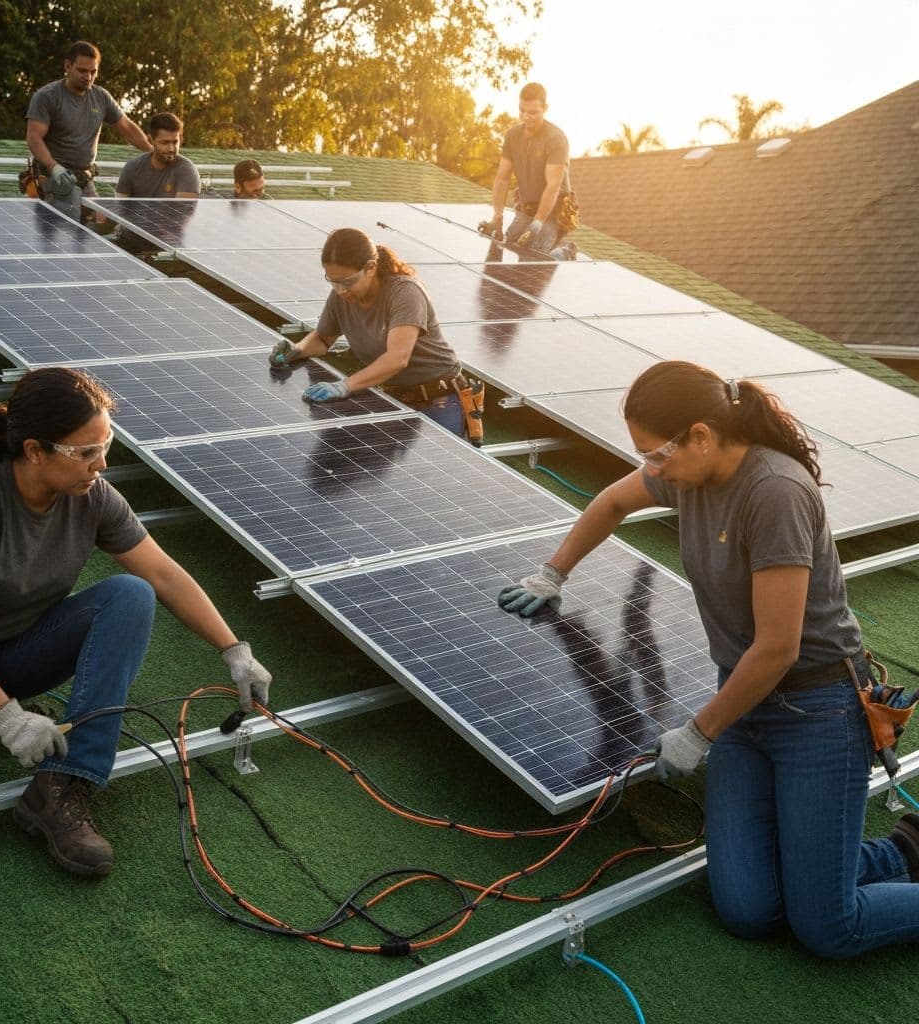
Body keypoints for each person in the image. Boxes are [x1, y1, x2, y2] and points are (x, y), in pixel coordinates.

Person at [498, 360, 919, 959]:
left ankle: (880, 860)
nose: (650, 468)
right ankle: (895, 854)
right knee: (749, 910)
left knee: (829, 927)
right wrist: (552, 573)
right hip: (744, 702)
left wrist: (698, 733)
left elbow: (778, 648)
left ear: (701, 435)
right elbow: (612, 502)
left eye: (655, 454)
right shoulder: (685, 474)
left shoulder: (775, 492)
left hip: (819, 711)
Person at [0, 368, 272, 878]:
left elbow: (162, 573)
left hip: (23, 647)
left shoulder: (92, 497)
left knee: (130, 595)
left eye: (105, 445)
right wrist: (8, 719)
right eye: (86, 452)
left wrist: (234, 651)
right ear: (35, 451)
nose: (102, 464)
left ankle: (64, 783)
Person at [267, 228, 477, 440]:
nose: (340, 290)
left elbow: (397, 358)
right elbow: (322, 339)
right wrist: (296, 350)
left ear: (370, 268)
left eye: (347, 281)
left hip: (439, 400)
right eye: (332, 281)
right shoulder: (340, 296)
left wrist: (345, 385)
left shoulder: (405, 293)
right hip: (395, 397)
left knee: (436, 460)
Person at [25, 40, 152, 220]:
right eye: (82, 71)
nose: (89, 77)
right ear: (67, 66)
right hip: (54, 178)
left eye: (93, 72)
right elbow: (34, 138)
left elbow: (128, 128)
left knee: (100, 225)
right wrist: (54, 167)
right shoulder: (47, 97)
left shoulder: (101, 97)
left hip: (84, 178)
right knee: (61, 229)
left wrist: (153, 152)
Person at [482, 82, 578, 261]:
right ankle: (547, 246)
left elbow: (553, 185)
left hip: (552, 213)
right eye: (522, 110)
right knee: (507, 246)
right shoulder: (512, 136)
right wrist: (497, 218)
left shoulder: (556, 139)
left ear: (545, 108)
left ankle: (564, 252)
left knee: (532, 259)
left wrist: (537, 223)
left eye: (533, 112)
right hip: (526, 209)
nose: (526, 117)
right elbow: (502, 179)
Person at [115, 112, 201, 198]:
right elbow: (120, 203)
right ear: (151, 140)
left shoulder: (187, 170)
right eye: (165, 142)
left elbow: (183, 206)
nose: (171, 149)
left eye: (175, 142)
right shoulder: (133, 167)